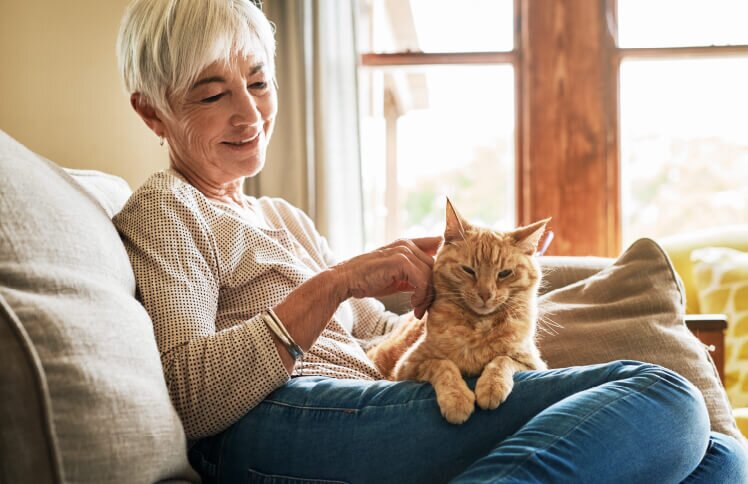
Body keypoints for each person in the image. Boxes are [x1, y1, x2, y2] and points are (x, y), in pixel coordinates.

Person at [112, 1, 747, 482]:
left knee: (719, 459)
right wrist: (337, 280)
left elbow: (371, 339)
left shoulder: (280, 215)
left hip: (371, 402)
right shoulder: (168, 208)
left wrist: (427, 283)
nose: (249, 114)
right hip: (279, 424)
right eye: (213, 94)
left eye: (257, 82)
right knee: (665, 396)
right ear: (152, 112)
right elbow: (192, 398)